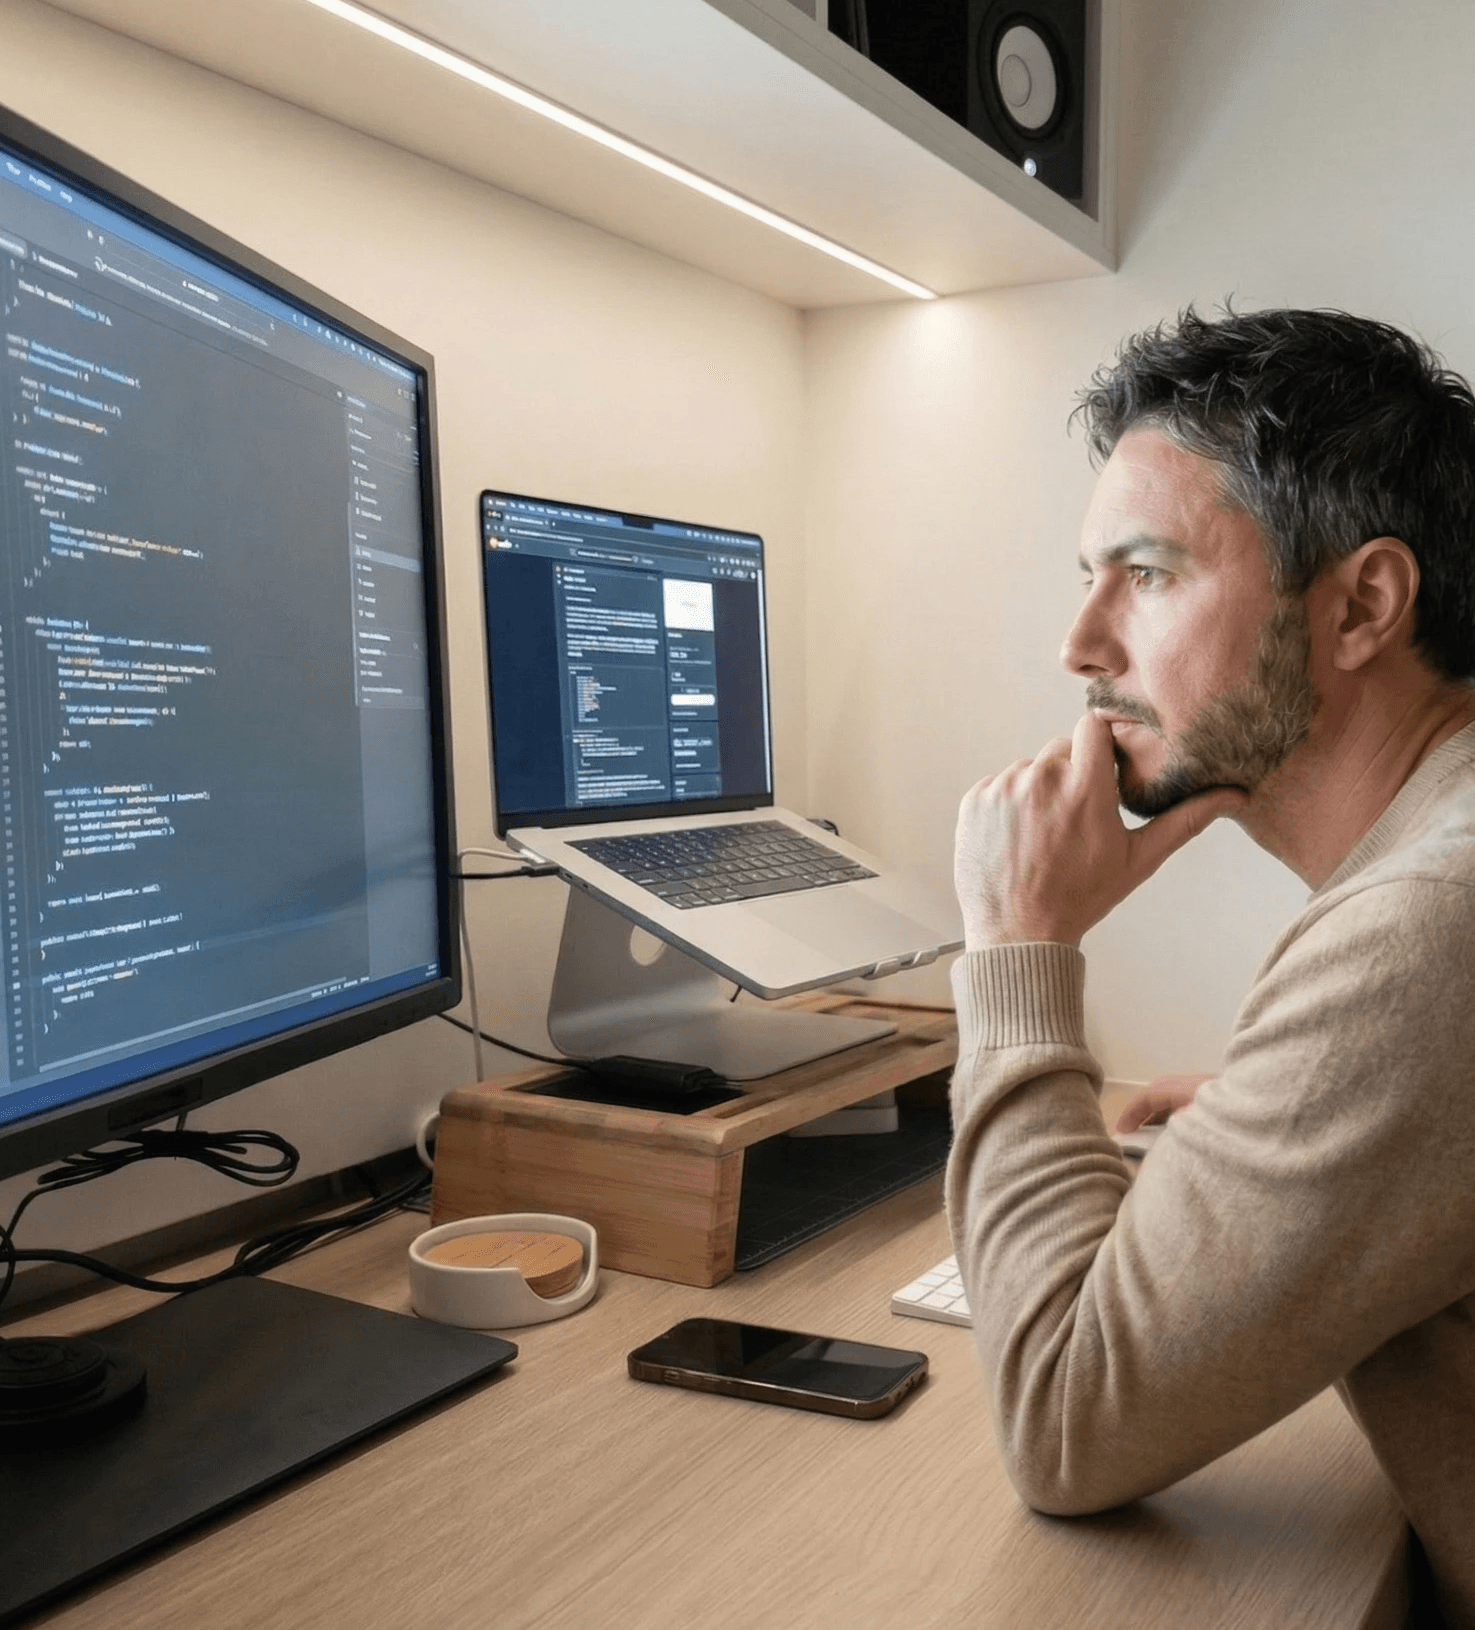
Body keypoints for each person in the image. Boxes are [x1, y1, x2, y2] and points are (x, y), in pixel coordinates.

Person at [946, 307, 1475, 1627]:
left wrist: (1020, 952)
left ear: (1359, 604)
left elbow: (1066, 1422)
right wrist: (1282, 1116)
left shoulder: (1427, 921)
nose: (1080, 643)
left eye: (1148, 572)